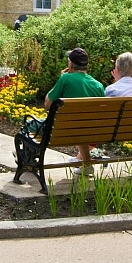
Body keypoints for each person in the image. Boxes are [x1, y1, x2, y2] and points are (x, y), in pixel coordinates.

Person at [44, 47, 106, 175]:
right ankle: (86, 164)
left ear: (71, 64)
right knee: (82, 126)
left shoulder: (66, 79)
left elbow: (47, 105)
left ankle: (25, 158)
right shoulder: (98, 85)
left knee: (29, 126)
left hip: (63, 130)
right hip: (91, 130)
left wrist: (61, 80)